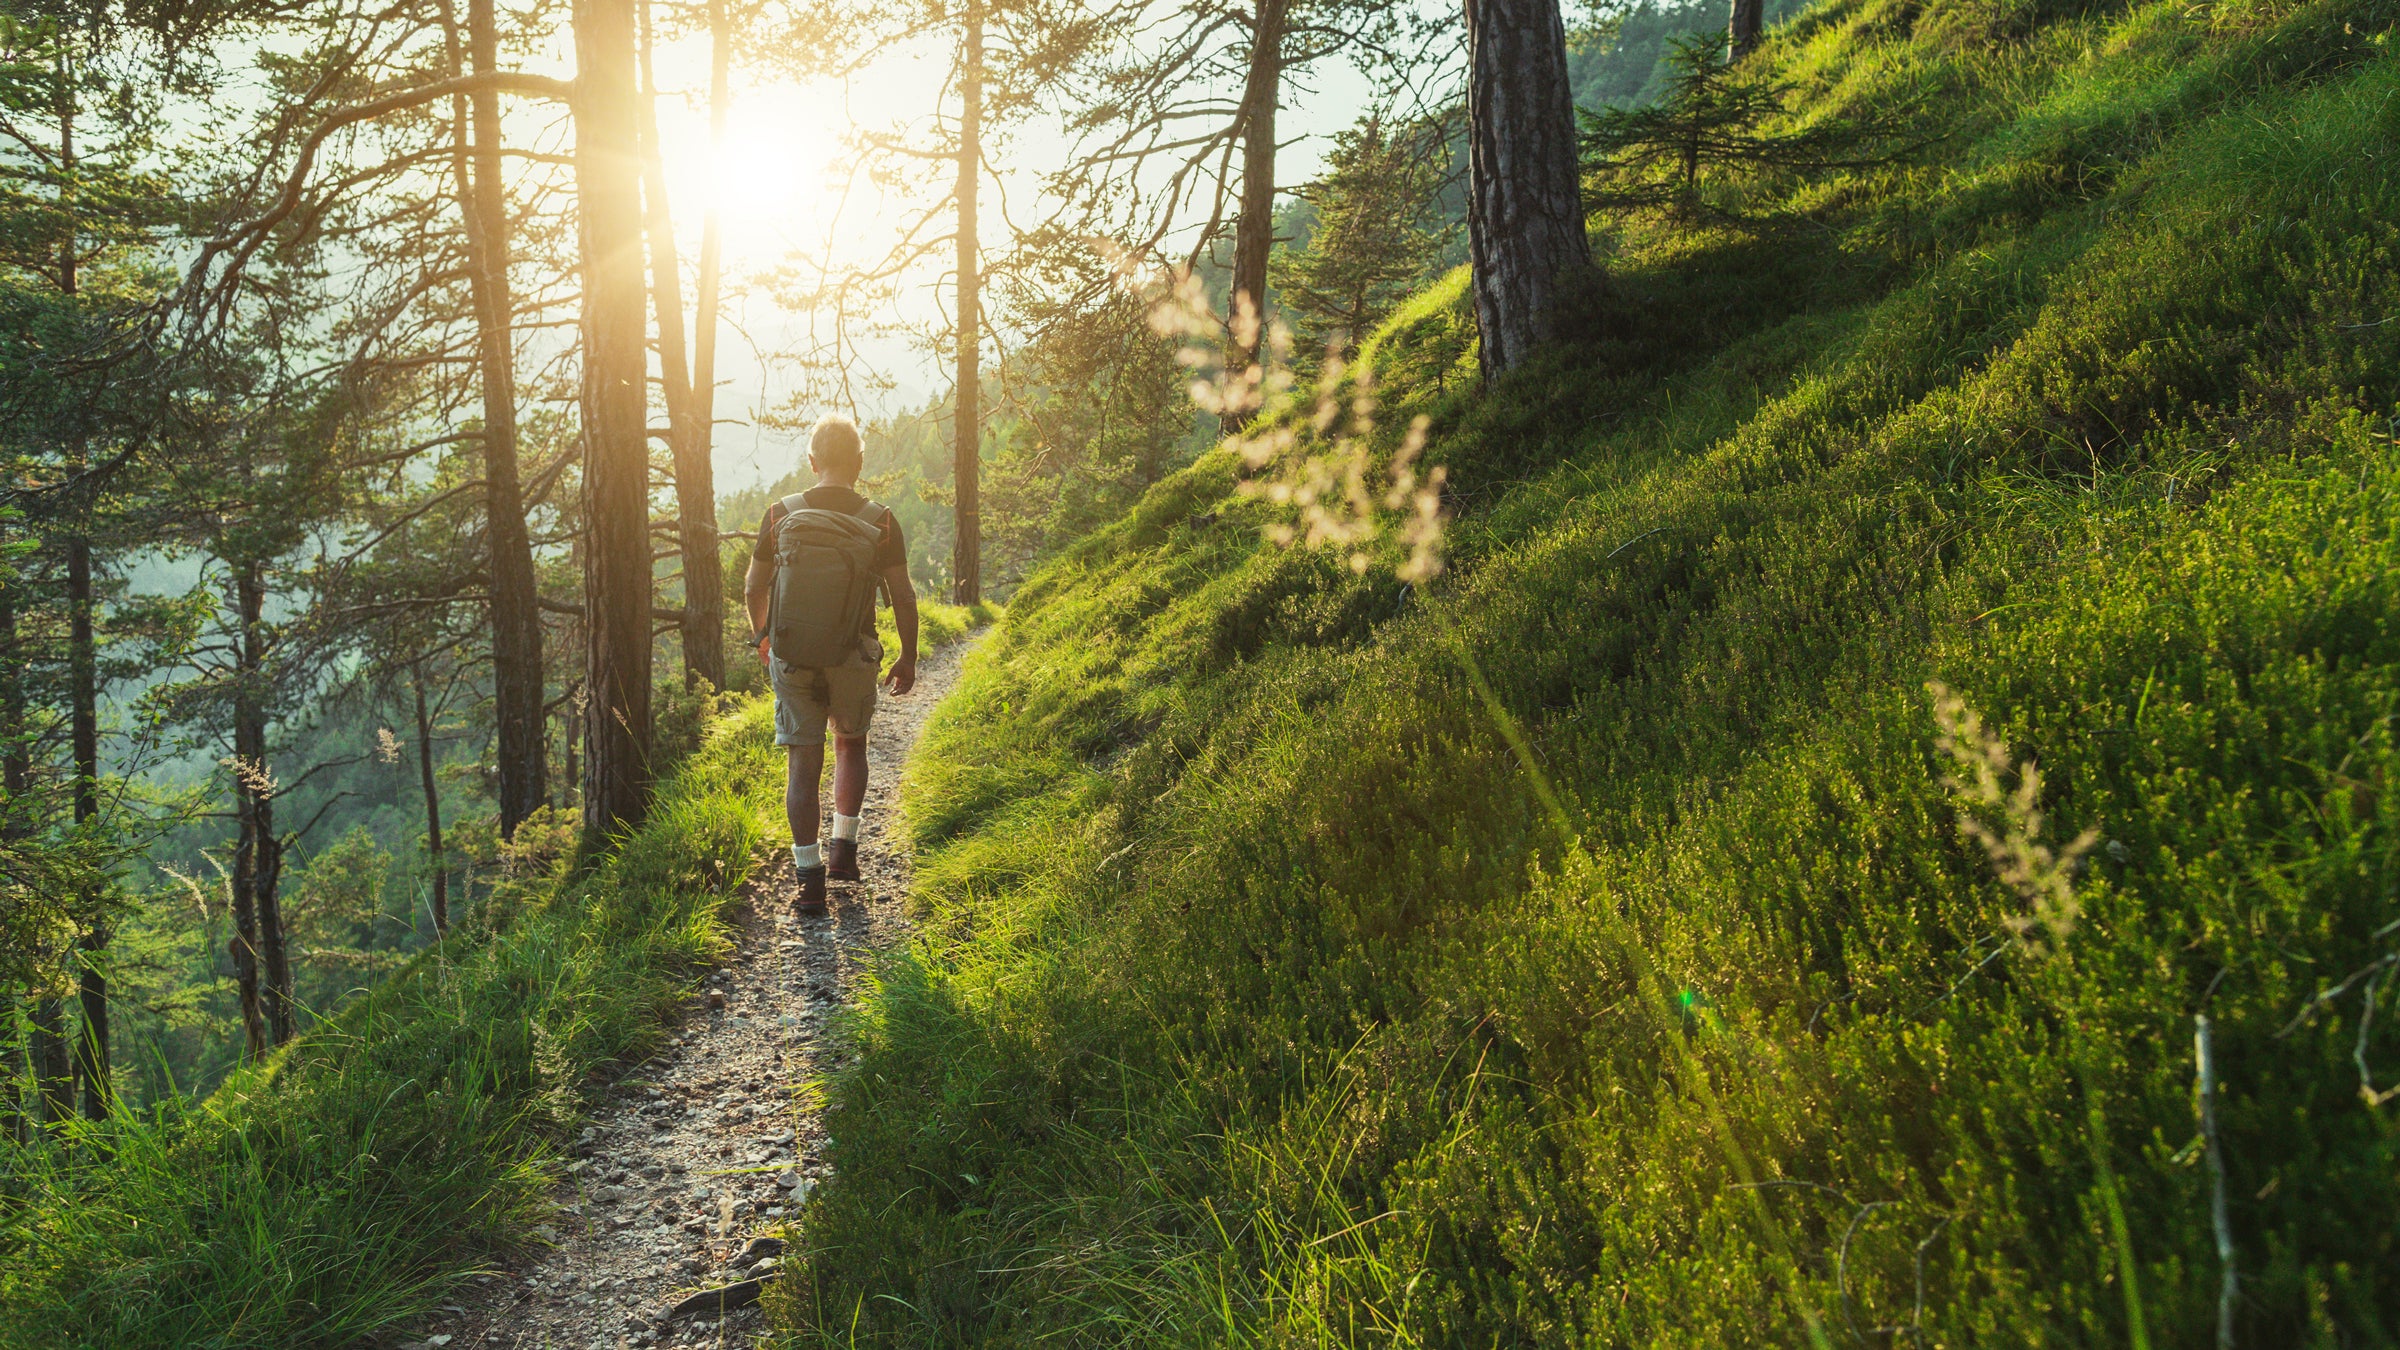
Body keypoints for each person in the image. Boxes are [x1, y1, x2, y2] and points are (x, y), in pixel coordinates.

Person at [745, 415, 918, 915]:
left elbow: (754, 587)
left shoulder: (780, 513)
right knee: (850, 742)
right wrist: (907, 655)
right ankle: (843, 850)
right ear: (860, 464)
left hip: (792, 655)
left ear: (812, 461)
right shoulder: (880, 519)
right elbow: (902, 596)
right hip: (853, 653)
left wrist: (765, 636)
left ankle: (808, 878)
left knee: (803, 760)